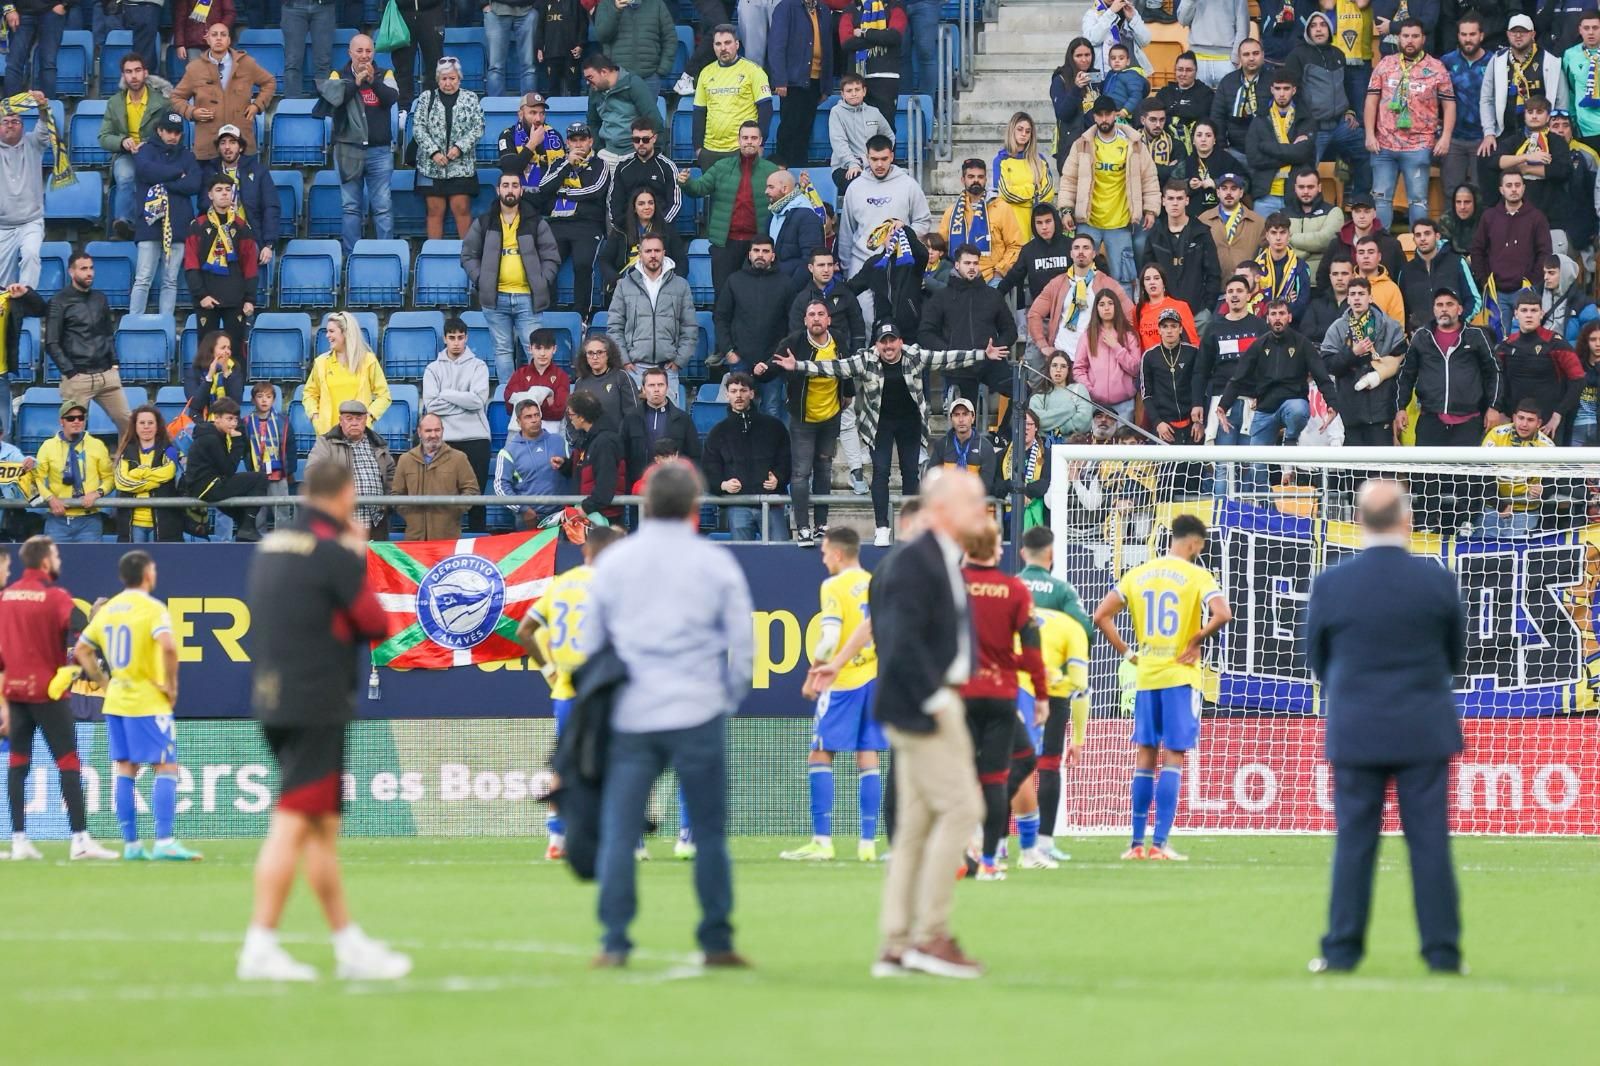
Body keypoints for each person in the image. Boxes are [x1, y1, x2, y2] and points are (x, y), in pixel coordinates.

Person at [239, 460, 409, 982]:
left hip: (274, 697)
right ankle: (260, 942)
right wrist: (357, 555)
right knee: (292, 820)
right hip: (316, 702)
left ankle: (347, 941)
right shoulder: (333, 553)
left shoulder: (271, 546)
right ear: (340, 498)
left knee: (320, 829)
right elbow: (375, 622)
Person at [586, 462, 753, 967]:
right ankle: (717, 939)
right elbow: (742, 649)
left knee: (619, 832)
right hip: (697, 710)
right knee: (708, 834)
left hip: (633, 714)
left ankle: (614, 941)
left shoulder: (614, 563)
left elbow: (591, 644)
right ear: (694, 508)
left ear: (646, 504)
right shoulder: (715, 563)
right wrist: (727, 699)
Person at [1304, 479, 1465, 976]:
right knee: (1430, 843)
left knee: (1354, 843)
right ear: (1406, 520)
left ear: (1358, 521)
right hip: (1422, 727)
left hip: (1356, 729)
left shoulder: (1332, 583)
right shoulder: (1436, 580)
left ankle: (1341, 952)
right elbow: (1455, 657)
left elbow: (1317, 658)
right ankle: (1443, 954)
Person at [857, 468, 988, 977]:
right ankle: (931, 937)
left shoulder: (937, 559)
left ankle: (896, 942)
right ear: (941, 509)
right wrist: (935, 701)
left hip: (920, 703)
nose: (982, 511)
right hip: (927, 706)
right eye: (973, 502)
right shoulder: (918, 562)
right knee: (962, 809)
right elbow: (900, 640)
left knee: (915, 828)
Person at [774, 319, 1002, 543]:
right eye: (883, 342)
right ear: (877, 345)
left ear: (900, 342)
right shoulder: (867, 359)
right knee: (881, 472)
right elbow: (836, 367)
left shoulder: (914, 356)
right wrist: (799, 366)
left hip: (910, 422)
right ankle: (881, 526)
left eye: (892, 341)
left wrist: (983, 354)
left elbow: (947, 359)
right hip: (880, 422)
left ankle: (909, 526)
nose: (888, 346)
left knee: (910, 473)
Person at [1093, 514, 1232, 862]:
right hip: (1179, 676)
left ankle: (1136, 844)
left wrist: (1127, 653)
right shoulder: (1196, 574)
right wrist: (1198, 638)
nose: (1199, 551)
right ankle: (1159, 844)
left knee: (1144, 756)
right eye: (1200, 546)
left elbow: (1100, 615)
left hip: (1147, 675)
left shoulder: (1138, 573)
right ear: (1192, 542)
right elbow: (1223, 613)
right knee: (1174, 755)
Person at [74, 551, 202, 861]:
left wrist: (105, 683)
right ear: (147, 574)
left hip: (117, 700)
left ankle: (131, 844)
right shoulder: (152, 608)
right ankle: (165, 841)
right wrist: (171, 684)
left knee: (125, 768)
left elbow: (82, 649)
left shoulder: (109, 609)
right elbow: (169, 647)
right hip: (147, 699)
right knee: (166, 766)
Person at [0, 537, 118, 861]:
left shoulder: (6, 597)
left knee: (17, 764)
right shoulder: (56, 597)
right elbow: (84, 634)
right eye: (56, 555)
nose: (59, 560)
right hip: (48, 693)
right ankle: (79, 839)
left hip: (15, 693)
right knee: (68, 763)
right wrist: (83, 672)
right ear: (45, 561)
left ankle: (19, 840)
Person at [519, 523, 625, 861]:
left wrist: (548, 669)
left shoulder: (561, 584)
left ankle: (556, 839)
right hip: (604, 689)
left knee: (563, 765)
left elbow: (525, 630)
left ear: (585, 550)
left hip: (565, 690)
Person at [780, 526, 884, 862]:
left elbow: (828, 638)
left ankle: (822, 840)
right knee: (868, 754)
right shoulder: (872, 582)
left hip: (844, 680)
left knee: (820, 753)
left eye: (825, 553)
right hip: (874, 675)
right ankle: (867, 842)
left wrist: (815, 674)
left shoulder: (833, 586)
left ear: (838, 554)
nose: (823, 559)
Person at [956, 520, 1049, 881]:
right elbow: (1031, 650)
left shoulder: (951, 586)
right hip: (999, 695)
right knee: (997, 777)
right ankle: (989, 862)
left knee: (964, 774)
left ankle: (965, 844)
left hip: (958, 695)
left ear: (966, 549)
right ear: (997, 550)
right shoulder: (1014, 590)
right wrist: (1041, 695)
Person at [756, 299, 850, 545]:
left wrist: (847, 394)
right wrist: (762, 370)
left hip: (830, 416)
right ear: (805, 320)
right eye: (812, 314)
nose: (817, 318)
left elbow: (846, 369)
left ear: (828, 319)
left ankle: (821, 524)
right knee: (800, 473)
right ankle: (803, 528)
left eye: (821, 314)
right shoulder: (794, 342)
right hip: (802, 419)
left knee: (824, 468)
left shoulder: (839, 339)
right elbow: (773, 365)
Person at [463, 168, 561, 384]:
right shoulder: (484, 221)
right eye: (505, 185)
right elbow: (468, 255)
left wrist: (543, 282)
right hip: (495, 298)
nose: (510, 190)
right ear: (498, 190)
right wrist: (481, 280)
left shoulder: (535, 222)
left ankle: (535, 399)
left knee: (535, 351)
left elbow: (551, 256)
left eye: (515, 186)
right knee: (502, 350)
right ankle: (509, 397)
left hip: (529, 298)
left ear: (521, 191)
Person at [1364, 19, 1456, 229]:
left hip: (1419, 145)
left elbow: (1449, 105)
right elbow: (1371, 101)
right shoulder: (1385, 64)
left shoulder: (1436, 67)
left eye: (1415, 36)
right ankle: (1382, 247)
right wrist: (1369, 134)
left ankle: (1419, 249)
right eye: (1405, 36)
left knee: (1418, 200)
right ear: (1398, 38)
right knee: (1381, 199)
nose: (1410, 41)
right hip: (1383, 144)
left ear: (1423, 39)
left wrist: (1446, 137)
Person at [1219, 298, 1338, 457]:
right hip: (1265, 408)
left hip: (1293, 401)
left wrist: (1332, 403)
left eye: (1281, 313)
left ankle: (1290, 437)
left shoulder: (1302, 344)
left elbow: (1322, 376)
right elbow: (1238, 377)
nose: (1277, 318)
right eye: (1273, 314)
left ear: (1289, 317)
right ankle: (1262, 479)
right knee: (1257, 465)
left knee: (1298, 410)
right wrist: (1223, 406)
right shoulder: (1258, 345)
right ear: (1267, 318)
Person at [1059, 97, 1157, 289]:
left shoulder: (1133, 144)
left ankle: (1127, 319)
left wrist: (1151, 210)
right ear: (1094, 117)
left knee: (1124, 280)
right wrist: (1065, 210)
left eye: (1108, 114)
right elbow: (1069, 179)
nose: (1104, 119)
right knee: (1081, 278)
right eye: (1100, 115)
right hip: (1088, 221)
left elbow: (1149, 178)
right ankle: (1083, 319)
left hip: (1119, 223)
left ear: (1115, 115)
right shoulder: (1082, 144)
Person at [319, 35, 399, 257]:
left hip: (380, 151)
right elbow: (334, 98)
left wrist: (373, 81)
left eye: (369, 51)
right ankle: (351, 258)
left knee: (383, 207)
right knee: (351, 207)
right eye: (360, 51)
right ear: (350, 53)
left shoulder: (386, 73)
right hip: (348, 150)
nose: (365, 56)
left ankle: (386, 255)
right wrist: (356, 83)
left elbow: (392, 97)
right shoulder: (337, 74)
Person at [681, 121, 781, 291]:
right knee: (723, 295)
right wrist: (687, 183)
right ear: (739, 140)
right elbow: (699, 188)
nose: (749, 141)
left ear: (760, 141)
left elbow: (784, 198)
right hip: (725, 243)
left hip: (757, 244)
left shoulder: (771, 170)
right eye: (745, 137)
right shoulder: (721, 167)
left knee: (756, 295)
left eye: (753, 138)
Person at [920, 243, 1017, 419]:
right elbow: (925, 333)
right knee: (964, 418)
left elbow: (1010, 330)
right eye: (967, 263)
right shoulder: (942, 297)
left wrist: (997, 347)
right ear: (957, 265)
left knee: (1023, 393)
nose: (972, 267)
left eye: (975, 263)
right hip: (959, 366)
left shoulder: (992, 295)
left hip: (990, 362)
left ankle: (1002, 437)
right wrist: (949, 350)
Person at [420, 318, 492, 533]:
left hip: (476, 439)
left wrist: (447, 394)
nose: (456, 342)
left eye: (460, 337)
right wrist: (465, 403)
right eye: (452, 338)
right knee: (445, 497)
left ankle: (478, 544)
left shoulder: (479, 366)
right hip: (446, 440)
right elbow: (431, 405)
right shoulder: (432, 369)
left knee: (475, 497)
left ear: (466, 338)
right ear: (445, 339)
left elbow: (478, 401)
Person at [129, 112, 202, 321]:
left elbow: (194, 184)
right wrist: (177, 173)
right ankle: (133, 323)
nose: (173, 136)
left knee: (170, 281)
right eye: (169, 131)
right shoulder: (145, 151)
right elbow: (144, 170)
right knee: (143, 278)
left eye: (177, 132)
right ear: (159, 131)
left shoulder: (187, 155)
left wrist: (163, 183)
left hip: (178, 225)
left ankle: (165, 325)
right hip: (149, 225)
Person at [1027, 233, 1135, 374]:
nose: (1081, 252)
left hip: (1095, 358)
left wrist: (1116, 345)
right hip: (1063, 358)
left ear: (1094, 253)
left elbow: (1130, 315)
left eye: (1086, 248)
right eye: (1077, 248)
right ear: (1071, 254)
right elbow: (1034, 314)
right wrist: (1043, 345)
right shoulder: (1057, 283)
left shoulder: (1108, 284)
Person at [606, 232, 698, 397]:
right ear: (640, 254)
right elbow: (614, 327)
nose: (653, 255)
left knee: (668, 422)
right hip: (634, 369)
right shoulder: (624, 285)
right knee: (634, 421)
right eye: (648, 251)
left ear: (664, 253)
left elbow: (689, 327)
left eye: (657, 250)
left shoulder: (681, 285)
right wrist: (624, 361)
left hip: (667, 370)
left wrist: (679, 361)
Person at [47, 254, 129, 437]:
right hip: (78, 378)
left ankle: (128, 464)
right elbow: (51, 342)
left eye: (91, 268)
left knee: (129, 425)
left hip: (107, 375)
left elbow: (108, 333)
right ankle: (71, 466)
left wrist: (114, 363)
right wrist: (70, 372)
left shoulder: (100, 298)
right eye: (83, 269)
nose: (89, 273)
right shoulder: (59, 301)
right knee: (72, 432)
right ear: (71, 272)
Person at [533, 122, 611, 315]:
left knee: (583, 263)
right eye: (574, 140)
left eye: (582, 139)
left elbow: (596, 191)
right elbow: (543, 188)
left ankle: (582, 315)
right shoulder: (559, 163)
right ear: (567, 142)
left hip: (588, 225)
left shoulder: (600, 164)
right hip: (557, 223)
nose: (578, 144)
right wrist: (568, 164)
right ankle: (548, 313)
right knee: (546, 264)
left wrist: (563, 192)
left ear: (590, 141)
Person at [702, 372, 791, 540]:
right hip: (738, 506)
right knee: (744, 560)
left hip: (771, 503)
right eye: (734, 391)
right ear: (727, 394)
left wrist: (778, 478)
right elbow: (709, 467)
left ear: (752, 393)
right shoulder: (717, 432)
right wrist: (723, 485)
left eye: (743, 390)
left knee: (781, 558)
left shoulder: (774, 427)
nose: (738, 395)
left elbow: (786, 459)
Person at [1321, 276, 1407, 445]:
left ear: (1370, 297)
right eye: (1352, 294)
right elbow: (1329, 366)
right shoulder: (1337, 328)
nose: (1357, 298)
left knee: (1382, 470)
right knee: (1357, 469)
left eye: (1361, 293)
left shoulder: (1390, 327)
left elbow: (1401, 363)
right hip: (1351, 409)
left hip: (1382, 407)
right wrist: (1352, 352)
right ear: (1347, 298)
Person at [171, 24, 277, 161]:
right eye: (214, 35)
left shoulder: (246, 64)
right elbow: (176, 97)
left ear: (229, 40)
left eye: (223, 35)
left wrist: (257, 105)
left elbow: (269, 82)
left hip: (241, 142)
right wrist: (191, 112)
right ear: (207, 39)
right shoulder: (194, 69)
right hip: (208, 145)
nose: (219, 38)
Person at [183, 175, 260, 359]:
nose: (224, 194)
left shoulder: (242, 227)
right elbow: (191, 264)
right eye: (219, 190)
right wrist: (201, 295)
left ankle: (235, 388)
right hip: (206, 300)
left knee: (235, 353)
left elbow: (250, 266)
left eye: (227, 190)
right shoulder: (198, 226)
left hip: (235, 299)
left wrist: (249, 298)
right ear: (210, 195)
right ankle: (206, 387)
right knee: (206, 353)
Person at [713, 235, 792, 412]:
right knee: (740, 412)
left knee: (772, 411)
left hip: (774, 362)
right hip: (740, 361)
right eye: (756, 250)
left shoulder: (786, 283)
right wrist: (729, 351)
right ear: (749, 254)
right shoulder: (734, 281)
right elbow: (720, 317)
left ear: (773, 255)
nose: (760, 255)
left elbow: (792, 324)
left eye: (765, 251)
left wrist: (777, 357)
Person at [836, 135, 932, 276]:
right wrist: (846, 266)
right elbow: (846, 231)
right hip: (861, 262)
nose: (879, 164)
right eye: (874, 159)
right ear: (867, 157)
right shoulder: (855, 188)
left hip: (897, 262)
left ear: (892, 156)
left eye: (884, 159)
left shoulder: (909, 185)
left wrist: (903, 235)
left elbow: (923, 222)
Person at [102, 53, 174, 239]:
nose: (133, 76)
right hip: (126, 154)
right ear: (123, 76)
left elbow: (173, 133)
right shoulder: (115, 103)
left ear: (145, 73)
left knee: (153, 178)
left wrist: (150, 144)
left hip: (154, 153)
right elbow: (104, 136)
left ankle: (154, 228)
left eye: (137, 71)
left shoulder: (162, 102)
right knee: (125, 176)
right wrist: (122, 141)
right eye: (128, 72)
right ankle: (124, 224)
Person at [1494, 289, 1585, 434]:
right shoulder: (1505, 346)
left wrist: (1558, 414)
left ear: (1541, 314)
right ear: (1516, 314)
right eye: (1524, 310)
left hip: (1548, 425)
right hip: (1514, 423)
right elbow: (1497, 381)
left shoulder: (1556, 344)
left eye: (1534, 310)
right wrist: (1500, 411)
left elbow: (1579, 379)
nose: (1529, 315)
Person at [414, 58, 485, 240]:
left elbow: (478, 127)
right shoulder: (426, 98)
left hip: (461, 166)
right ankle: (434, 255)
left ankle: (468, 255)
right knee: (434, 210)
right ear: (438, 79)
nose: (448, 83)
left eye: (452, 78)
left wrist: (459, 148)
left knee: (461, 207)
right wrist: (434, 152)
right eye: (444, 78)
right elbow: (418, 128)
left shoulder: (470, 98)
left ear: (459, 79)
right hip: (431, 167)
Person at [1471, 171, 1554, 324]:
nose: (1514, 189)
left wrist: (1531, 281)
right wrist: (1484, 280)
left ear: (1523, 188)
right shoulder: (1489, 217)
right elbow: (1477, 250)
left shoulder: (1537, 218)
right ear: (1501, 189)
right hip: (1496, 294)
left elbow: (1545, 253)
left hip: (1525, 292)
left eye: (1517, 185)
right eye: (1509, 185)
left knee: (1524, 340)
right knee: (1497, 342)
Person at [1193, 274, 1267, 444]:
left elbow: (1268, 367)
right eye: (1230, 291)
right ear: (1225, 296)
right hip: (1220, 400)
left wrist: (1263, 395)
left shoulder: (1260, 327)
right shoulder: (1213, 328)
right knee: (1223, 466)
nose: (1234, 295)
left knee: (1250, 466)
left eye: (1240, 291)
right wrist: (1197, 402)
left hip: (1253, 402)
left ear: (1248, 296)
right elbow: (1201, 370)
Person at [307, 399, 396, 539]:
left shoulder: (378, 444)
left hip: (377, 522)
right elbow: (313, 473)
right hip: (342, 522)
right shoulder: (325, 444)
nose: (354, 422)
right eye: (349, 418)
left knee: (375, 561)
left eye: (359, 418)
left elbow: (391, 475)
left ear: (366, 419)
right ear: (340, 421)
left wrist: (387, 505)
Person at [690, 25, 774, 173]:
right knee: (712, 196)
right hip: (710, 151)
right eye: (718, 44)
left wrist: (760, 144)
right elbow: (699, 112)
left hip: (741, 149)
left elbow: (766, 109)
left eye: (727, 43)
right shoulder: (705, 73)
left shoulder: (753, 71)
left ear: (737, 44)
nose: (723, 48)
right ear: (713, 47)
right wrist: (698, 148)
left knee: (742, 196)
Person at [183, 397, 266, 542]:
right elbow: (229, 469)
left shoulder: (213, 434)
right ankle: (248, 529)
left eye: (235, 419)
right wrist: (237, 441)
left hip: (207, 485)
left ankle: (245, 532)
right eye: (229, 419)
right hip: (208, 487)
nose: (233, 423)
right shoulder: (211, 439)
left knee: (241, 515)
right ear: (217, 418)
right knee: (260, 478)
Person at [200, 125, 282, 273]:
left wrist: (268, 245)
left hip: (249, 236)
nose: (227, 147)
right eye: (223, 142)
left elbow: (271, 207)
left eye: (232, 142)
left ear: (241, 147)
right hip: (217, 236)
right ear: (218, 148)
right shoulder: (210, 171)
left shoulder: (258, 171)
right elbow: (202, 204)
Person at [30, 400, 113, 543]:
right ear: (61, 421)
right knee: (54, 564)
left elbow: (109, 478)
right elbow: (35, 479)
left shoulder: (97, 445)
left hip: (89, 520)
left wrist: (97, 493)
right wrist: (50, 498)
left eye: (81, 418)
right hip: (57, 520)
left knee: (91, 564)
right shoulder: (47, 446)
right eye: (71, 418)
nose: (76, 421)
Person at [1144, 182, 1221, 331]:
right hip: (1163, 316)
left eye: (1179, 198)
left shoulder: (1202, 233)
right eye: (1171, 198)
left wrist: (1207, 309)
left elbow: (1213, 273)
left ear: (1187, 201)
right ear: (1163, 201)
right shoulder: (1154, 236)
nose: (1175, 203)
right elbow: (1146, 276)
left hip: (1197, 313)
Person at [392, 412, 478, 541]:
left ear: (443, 431)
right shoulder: (405, 460)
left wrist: (452, 512)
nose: (433, 435)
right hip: (415, 538)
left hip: (448, 538)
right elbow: (396, 495)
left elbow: (472, 491)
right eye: (428, 431)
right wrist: (412, 516)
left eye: (437, 430)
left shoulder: (459, 458)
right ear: (419, 432)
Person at [304, 311, 391, 436]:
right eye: (327, 331)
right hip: (328, 436)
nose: (327, 335)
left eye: (331, 331)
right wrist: (315, 417)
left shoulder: (368, 361)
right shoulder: (321, 363)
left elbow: (384, 396)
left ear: (345, 333)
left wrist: (369, 417)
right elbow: (309, 394)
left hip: (358, 435)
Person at [768, 0, 833, 167]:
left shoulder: (824, 10)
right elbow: (776, 45)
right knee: (789, 130)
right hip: (792, 81)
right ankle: (783, 174)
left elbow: (829, 49)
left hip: (815, 81)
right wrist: (780, 80)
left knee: (804, 131)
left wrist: (826, 85)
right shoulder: (786, 7)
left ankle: (799, 173)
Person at [0, 91, 54, 290]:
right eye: (5, 121)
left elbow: (44, 127)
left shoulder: (33, 143)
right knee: (1, 282)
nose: (10, 125)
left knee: (31, 254)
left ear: (23, 127)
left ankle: (26, 297)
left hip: (31, 221)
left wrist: (41, 107)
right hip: (2, 226)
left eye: (15, 121)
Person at [940, 159, 1024, 285]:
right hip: (958, 278)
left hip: (991, 278)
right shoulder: (951, 213)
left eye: (980, 177)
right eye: (971, 176)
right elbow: (941, 247)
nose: (976, 180)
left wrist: (999, 272)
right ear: (963, 180)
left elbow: (1016, 245)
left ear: (986, 179)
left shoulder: (1002, 208)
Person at [1246, 71, 1316, 218]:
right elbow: (1254, 159)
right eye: (1278, 88)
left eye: (1286, 88)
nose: (1282, 93)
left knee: (1294, 241)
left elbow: (1303, 154)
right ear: (1272, 90)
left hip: (1295, 196)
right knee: (1263, 240)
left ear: (1294, 90)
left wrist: (1267, 147)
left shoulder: (1305, 119)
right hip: (1266, 195)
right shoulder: (1259, 119)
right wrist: (1292, 153)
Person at [494, 398, 569, 529]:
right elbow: (500, 487)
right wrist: (523, 509)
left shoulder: (559, 441)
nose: (534, 420)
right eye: (528, 417)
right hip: (529, 518)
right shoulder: (508, 452)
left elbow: (575, 470)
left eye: (537, 415)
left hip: (562, 516)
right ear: (518, 422)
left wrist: (565, 464)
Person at [112, 405, 183, 543]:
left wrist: (139, 472)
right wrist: (153, 482)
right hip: (133, 525)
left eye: (150, 423)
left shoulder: (169, 449)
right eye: (142, 423)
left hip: (164, 524)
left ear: (157, 426)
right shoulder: (126, 451)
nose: (146, 427)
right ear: (135, 426)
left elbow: (168, 472)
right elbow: (121, 482)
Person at [620, 366, 700, 486]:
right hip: (638, 488)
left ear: (667, 387)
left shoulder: (683, 419)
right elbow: (622, 455)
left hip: (673, 488)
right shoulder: (631, 419)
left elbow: (694, 456)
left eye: (660, 385)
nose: (656, 389)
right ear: (643, 388)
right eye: (651, 385)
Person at [1399, 218, 1481, 331]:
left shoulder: (1457, 262)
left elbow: (1474, 300)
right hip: (1421, 340)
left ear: (1437, 236)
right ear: (1414, 239)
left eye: (1427, 233)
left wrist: (1459, 325)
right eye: (1418, 235)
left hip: (1455, 336)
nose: (1422, 238)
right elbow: (1403, 309)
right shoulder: (1406, 271)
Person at [583, 53, 663, 165]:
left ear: (604, 72)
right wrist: (599, 149)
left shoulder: (633, 84)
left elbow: (653, 119)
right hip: (606, 153)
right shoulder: (594, 91)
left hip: (635, 153)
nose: (587, 82)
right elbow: (593, 122)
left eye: (590, 77)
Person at [607, 116, 683, 234]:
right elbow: (614, 202)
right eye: (636, 140)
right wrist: (624, 227)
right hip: (627, 229)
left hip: (660, 229)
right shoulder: (622, 166)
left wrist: (659, 226)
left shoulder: (667, 166)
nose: (641, 144)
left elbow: (675, 203)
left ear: (654, 138)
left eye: (645, 139)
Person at [1441, 15, 1491, 196]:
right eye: (1463, 34)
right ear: (1458, 36)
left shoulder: (1494, 62)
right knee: (1451, 192)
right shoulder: (1446, 62)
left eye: (1472, 34)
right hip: (1454, 138)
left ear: (1481, 35)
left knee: (1482, 193)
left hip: (1483, 138)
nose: (1468, 39)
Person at [838, 0, 907, 126]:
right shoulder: (850, 9)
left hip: (886, 78)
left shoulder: (895, 5)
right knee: (857, 129)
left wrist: (864, 33)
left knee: (885, 127)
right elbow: (846, 43)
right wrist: (881, 36)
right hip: (858, 78)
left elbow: (894, 37)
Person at [594, 0, 677, 101]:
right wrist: (616, 10)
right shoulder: (606, 4)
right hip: (617, 78)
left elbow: (670, 38)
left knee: (647, 117)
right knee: (620, 116)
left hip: (649, 77)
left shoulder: (657, 4)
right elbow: (602, 36)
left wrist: (662, 69)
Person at [829, 73, 895, 196]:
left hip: (872, 165)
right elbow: (838, 142)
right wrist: (852, 164)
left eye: (857, 90)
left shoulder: (874, 112)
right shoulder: (836, 112)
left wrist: (881, 157)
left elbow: (888, 136)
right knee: (860, 184)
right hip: (844, 167)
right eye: (849, 91)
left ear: (864, 91)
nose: (854, 94)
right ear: (843, 94)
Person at [243, 382, 295, 532]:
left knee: (282, 511)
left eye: (268, 397)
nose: (264, 400)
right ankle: (258, 540)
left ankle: (283, 541)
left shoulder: (283, 421)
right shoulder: (247, 422)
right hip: (257, 474)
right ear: (253, 400)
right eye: (260, 396)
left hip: (278, 473)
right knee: (258, 511)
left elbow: (290, 445)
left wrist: (289, 470)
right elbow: (245, 449)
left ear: (273, 400)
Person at [1198, 172, 1266, 280]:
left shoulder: (1258, 222)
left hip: (1247, 289)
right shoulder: (1203, 220)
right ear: (1218, 192)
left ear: (1241, 193)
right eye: (1224, 189)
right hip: (1213, 288)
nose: (1228, 193)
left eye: (1234, 189)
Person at [926, 396, 999, 493]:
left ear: (973, 417)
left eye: (965, 414)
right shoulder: (942, 445)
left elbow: (986, 486)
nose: (961, 419)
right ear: (951, 418)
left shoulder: (985, 447)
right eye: (956, 415)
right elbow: (932, 477)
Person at [1284, 167, 1345, 280]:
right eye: (1301, 187)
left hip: (1320, 282)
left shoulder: (1334, 212)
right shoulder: (1282, 214)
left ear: (1319, 187)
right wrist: (1313, 247)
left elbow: (1325, 240)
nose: (1306, 191)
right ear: (1295, 188)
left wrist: (1291, 238)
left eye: (1310, 187)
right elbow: (1279, 245)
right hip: (1289, 283)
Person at [499, 93, 567, 193]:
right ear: (521, 114)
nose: (538, 119)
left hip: (552, 193)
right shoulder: (508, 135)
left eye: (542, 113)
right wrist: (532, 143)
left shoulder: (555, 136)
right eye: (533, 113)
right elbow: (510, 170)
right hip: (522, 195)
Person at [504, 326, 571, 426]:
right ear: (530, 349)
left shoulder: (562, 376)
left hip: (552, 431)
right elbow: (511, 408)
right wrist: (546, 402)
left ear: (554, 349)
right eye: (538, 348)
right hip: (524, 431)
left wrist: (527, 403)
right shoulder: (519, 374)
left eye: (547, 348)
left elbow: (559, 412)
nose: (542, 353)